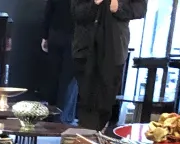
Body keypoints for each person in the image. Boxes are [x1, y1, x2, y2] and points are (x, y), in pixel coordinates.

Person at [71, 0, 146, 132]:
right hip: (85, 48)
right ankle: (87, 136)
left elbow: (140, 9)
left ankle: (97, 134)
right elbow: (76, 12)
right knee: (86, 98)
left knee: (106, 98)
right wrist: (94, 4)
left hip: (114, 47)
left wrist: (119, 8)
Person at [42, 0, 78, 124]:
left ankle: (51, 114)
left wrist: (45, 35)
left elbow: (48, 11)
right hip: (76, 37)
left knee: (53, 77)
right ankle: (64, 117)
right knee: (69, 79)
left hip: (55, 34)